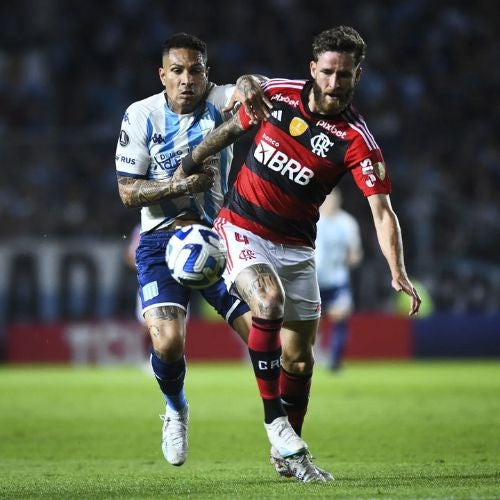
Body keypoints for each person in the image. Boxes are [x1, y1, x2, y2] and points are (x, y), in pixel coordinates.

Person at [179, 25, 422, 482]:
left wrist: (398, 271)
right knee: (268, 302)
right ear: (313, 69)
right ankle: (277, 425)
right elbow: (245, 93)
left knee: (300, 359)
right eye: (327, 72)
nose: (334, 84)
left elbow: (382, 210)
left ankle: (286, 449)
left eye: (344, 75)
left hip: (297, 247)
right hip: (242, 226)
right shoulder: (282, 95)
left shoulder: (357, 140)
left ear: (357, 76)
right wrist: (192, 160)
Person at [115, 33, 271, 469]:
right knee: (167, 343)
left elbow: (255, 84)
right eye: (178, 71)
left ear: (207, 74)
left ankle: (279, 431)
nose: (187, 79)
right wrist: (181, 185)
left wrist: (248, 81)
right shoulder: (141, 115)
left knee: (261, 333)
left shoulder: (219, 100)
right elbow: (127, 191)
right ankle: (176, 408)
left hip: (218, 235)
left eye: (196, 70)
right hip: (160, 241)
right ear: (162, 75)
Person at [316, 188, 363, 371]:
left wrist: (352, 258)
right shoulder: (313, 219)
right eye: (327, 199)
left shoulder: (348, 222)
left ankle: (335, 361)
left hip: (338, 281)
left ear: (340, 200)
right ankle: (309, 356)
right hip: (314, 281)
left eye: (334, 198)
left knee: (340, 316)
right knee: (312, 324)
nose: (330, 202)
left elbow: (356, 252)